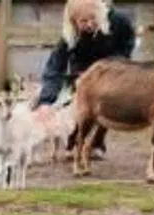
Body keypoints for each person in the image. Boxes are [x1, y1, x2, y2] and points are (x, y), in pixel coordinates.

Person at [37, 0, 137, 159]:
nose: (90, 24)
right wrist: (46, 101)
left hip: (112, 67)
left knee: (106, 102)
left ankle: (97, 143)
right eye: (83, 21)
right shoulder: (70, 35)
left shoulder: (119, 21)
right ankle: (74, 142)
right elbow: (55, 67)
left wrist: (110, 66)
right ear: (73, 21)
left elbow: (127, 47)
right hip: (82, 70)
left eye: (93, 19)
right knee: (81, 105)